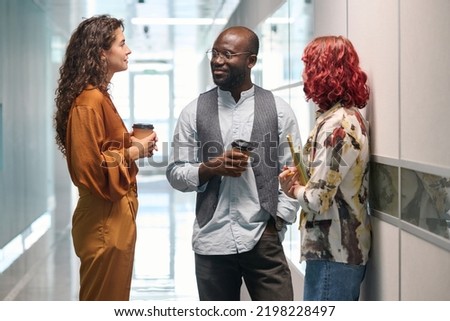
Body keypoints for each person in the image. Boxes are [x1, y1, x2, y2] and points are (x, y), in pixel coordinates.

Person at [166, 26, 301, 301]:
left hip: (263, 237)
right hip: (211, 240)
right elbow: (175, 172)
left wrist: (279, 221)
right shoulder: (193, 111)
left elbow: (294, 172)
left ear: (250, 61)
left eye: (227, 54)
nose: (217, 61)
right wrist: (209, 168)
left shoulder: (279, 110)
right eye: (214, 53)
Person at [54, 14, 157, 300]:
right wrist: (136, 150)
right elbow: (90, 169)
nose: (129, 50)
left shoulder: (98, 96)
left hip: (112, 215)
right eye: (122, 44)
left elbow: (102, 150)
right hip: (104, 219)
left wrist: (132, 144)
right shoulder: (89, 102)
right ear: (101, 52)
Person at [279, 35, 372, 301]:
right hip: (339, 249)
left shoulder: (337, 125)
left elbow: (318, 199)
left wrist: (294, 189)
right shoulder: (344, 117)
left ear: (323, 72)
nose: (305, 74)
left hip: (334, 251)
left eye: (309, 66)